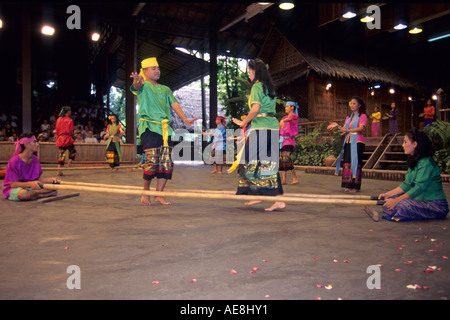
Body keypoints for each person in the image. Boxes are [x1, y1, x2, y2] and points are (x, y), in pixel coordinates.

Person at [130, 57, 198, 206]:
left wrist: (186, 120)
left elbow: (174, 104)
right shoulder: (143, 85)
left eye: (158, 68)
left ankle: (158, 195)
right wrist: (137, 80)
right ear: (145, 71)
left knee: (167, 163)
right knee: (152, 160)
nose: (157, 70)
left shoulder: (165, 89)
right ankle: (146, 192)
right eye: (153, 68)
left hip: (166, 129)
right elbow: (136, 87)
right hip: (149, 127)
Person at [229, 58, 285, 212]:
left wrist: (243, 122)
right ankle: (265, 195)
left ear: (255, 71)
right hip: (272, 128)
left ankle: (269, 196)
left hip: (260, 128)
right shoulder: (269, 88)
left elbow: (255, 109)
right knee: (267, 163)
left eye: (249, 71)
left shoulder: (257, 86)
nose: (248, 74)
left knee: (247, 161)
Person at [379, 128, 448, 222]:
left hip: (435, 205)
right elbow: (407, 184)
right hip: (420, 201)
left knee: (402, 204)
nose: (403, 145)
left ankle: (401, 210)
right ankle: (400, 210)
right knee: (389, 201)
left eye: (405, 142)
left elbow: (418, 188)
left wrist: (396, 201)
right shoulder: (414, 161)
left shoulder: (426, 163)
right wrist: (388, 194)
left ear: (415, 144)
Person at [2, 133, 59, 201]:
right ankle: (42, 194)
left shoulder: (35, 159)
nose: (37, 144)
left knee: (53, 186)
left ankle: (34, 194)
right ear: (26, 144)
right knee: (23, 194)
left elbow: (36, 179)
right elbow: (13, 184)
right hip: (16, 188)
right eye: (34, 142)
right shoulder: (14, 161)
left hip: (29, 187)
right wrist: (30, 184)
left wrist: (49, 180)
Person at [329, 96, 368, 193]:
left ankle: (355, 186)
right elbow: (344, 130)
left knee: (355, 162)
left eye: (354, 103)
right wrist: (337, 126)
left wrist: (348, 130)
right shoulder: (348, 117)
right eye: (351, 103)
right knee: (347, 162)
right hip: (348, 140)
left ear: (359, 105)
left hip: (358, 141)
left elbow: (360, 128)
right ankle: (349, 185)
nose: (352, 105)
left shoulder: (362, 116)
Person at [279, 101, 299, 185]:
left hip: (289, 141)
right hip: (282, 141)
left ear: (292, 108)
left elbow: (289, 119)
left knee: (286, 158)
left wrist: (283, 121)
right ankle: (284, 179)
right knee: (282, 159)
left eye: (287, 106)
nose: (285, 108)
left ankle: (295, 177)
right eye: (285, 106)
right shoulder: (283, 118)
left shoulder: (294, 116)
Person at [55, 106, 76, 176]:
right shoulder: (69, 120)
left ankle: (59, 170)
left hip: (61, 138)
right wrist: (73, 137)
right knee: (73, 151)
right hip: (67, 138)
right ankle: (68, 164)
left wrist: (56, 137)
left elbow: (56, 130)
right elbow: (71, 131)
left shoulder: (58, 119)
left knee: (61, 155)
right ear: (68, 112)